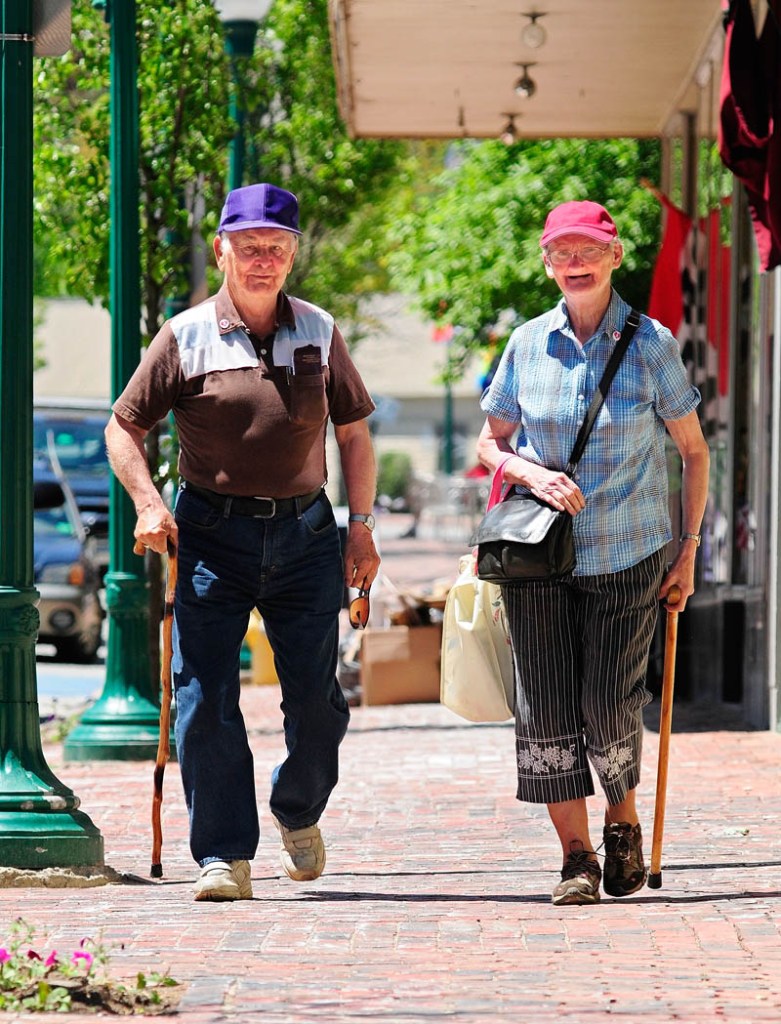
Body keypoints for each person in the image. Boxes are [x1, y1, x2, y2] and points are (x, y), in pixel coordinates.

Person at [105, 183, 381, 902]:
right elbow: (123, 426)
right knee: (203, 695)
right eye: (249, 246)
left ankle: (297, 809)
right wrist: (146, 502)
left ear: (292, 256)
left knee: (318, 703)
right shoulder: (185, 335)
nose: (263, 259)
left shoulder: (318, 330)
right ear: (222, 248)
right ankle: (223, 854)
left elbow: (352, 434)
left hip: (306, 535)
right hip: (209, 536)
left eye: (277, 248)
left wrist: (361, 525)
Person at [476, 200, 709, 906]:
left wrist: (688, 550)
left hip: (628, 554)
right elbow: (489, 443)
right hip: (538, 559)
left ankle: (622, 822)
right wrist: (528, 472)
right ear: (546, 263)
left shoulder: (650, 345)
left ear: (612, 257)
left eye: (586, 251)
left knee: (607, 703)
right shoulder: (525, 343)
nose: (572, 263)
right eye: (559, 253)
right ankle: (575, 857)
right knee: (544, 708)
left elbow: (693, 454)